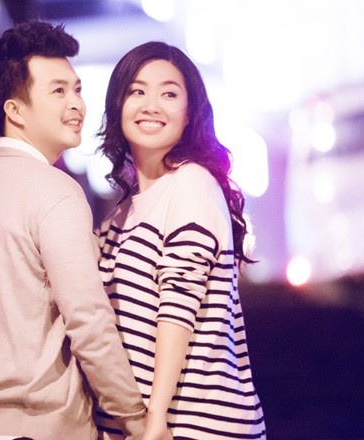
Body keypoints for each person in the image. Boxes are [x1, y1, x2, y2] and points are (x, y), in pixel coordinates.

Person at [0, 21, 146, 440]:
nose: (76, 103)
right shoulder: (57, 192)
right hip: (42, 428)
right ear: (15, 111)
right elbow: (89, 321)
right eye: (58, 91)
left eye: (77, 89)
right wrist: (136, 420)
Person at [93, 42, 266, 439]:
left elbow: (179, 302)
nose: (151, 105)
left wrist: (155, 417)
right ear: (118, 104)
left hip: (191, 425)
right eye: (137, 91)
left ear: (189, 115)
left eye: (169, 94)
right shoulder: (122, 214)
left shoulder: (191, 183)